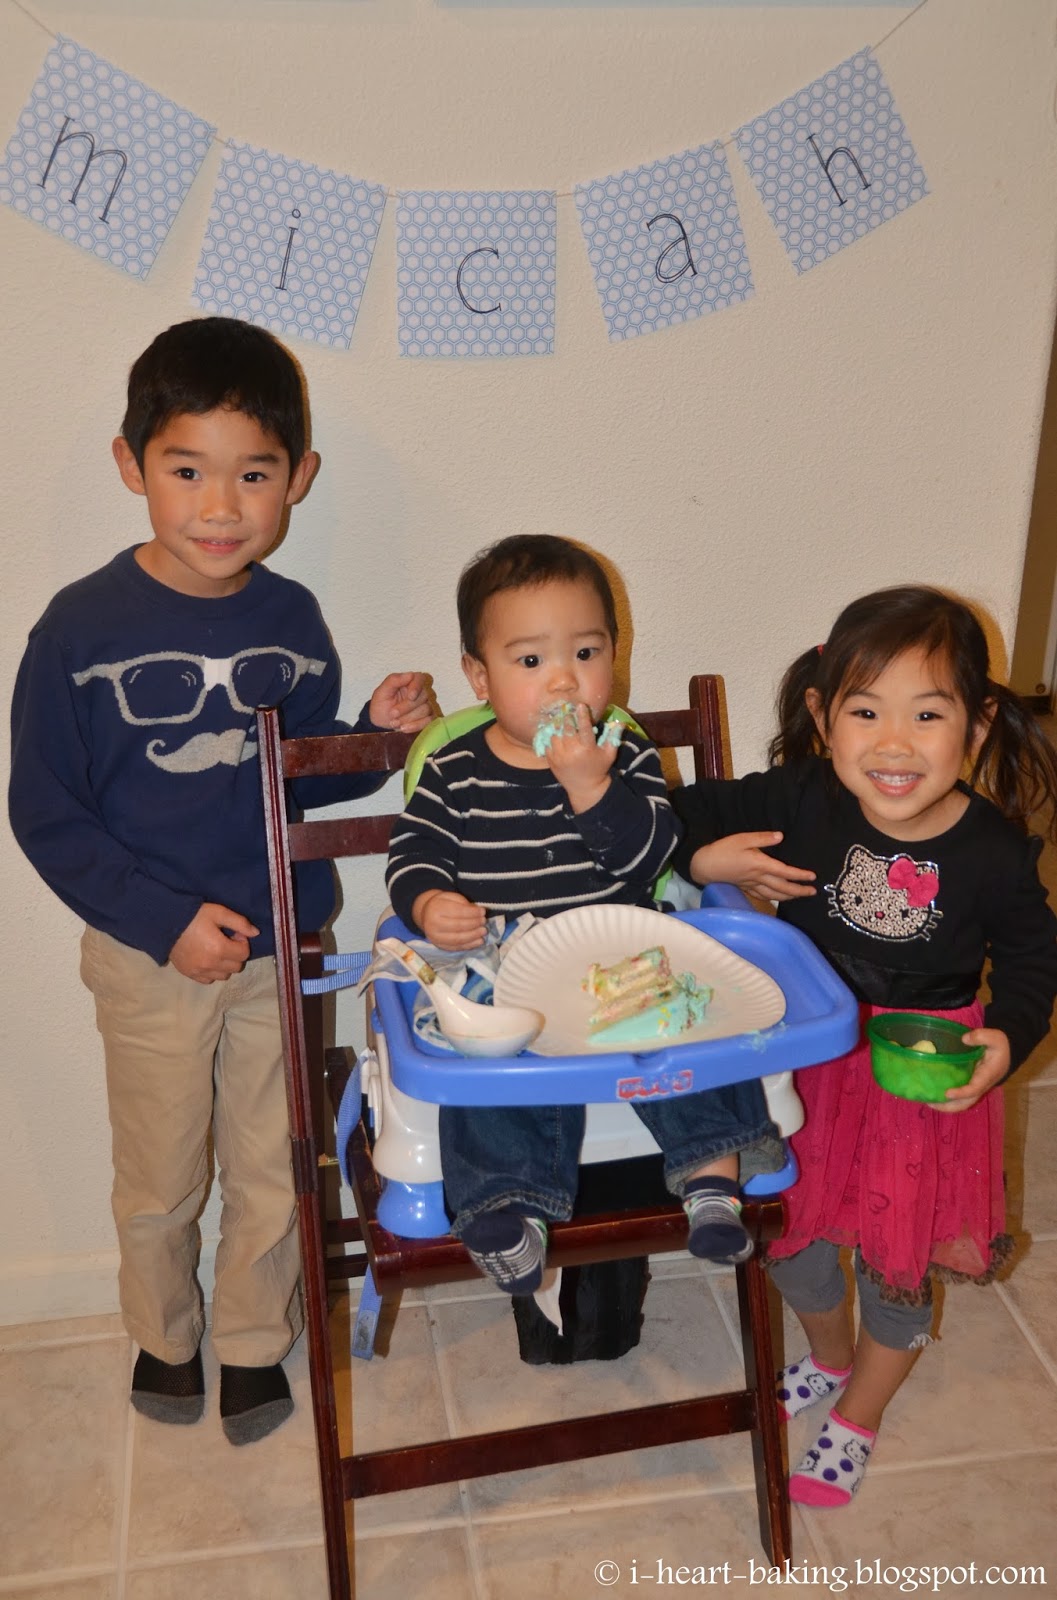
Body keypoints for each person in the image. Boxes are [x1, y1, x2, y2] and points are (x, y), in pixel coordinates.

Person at [8, 317, 433, 1445]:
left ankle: (251, 1339)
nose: (218, 506)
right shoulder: (79, 630)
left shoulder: (290, 620)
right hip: (147, 957)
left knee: (268, 1156)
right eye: (185, 470)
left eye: (253, 476)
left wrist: (372, 739)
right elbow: (45, 810)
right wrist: (159, 921)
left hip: (283, 945)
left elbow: (284, 778)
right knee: (158, 1172)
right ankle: (164, 1332)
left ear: (298, 478)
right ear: (129, 464)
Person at [670, 584, 1057, 1507]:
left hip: (924, 1075)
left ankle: (860, 1414)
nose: (893, 744)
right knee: (793, 1239)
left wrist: (1005, 1037)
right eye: (864, 711)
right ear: (821, 716)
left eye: (927, 713)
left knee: (899, 1260)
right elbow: (673, 814)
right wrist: (702, 859)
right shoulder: (799, 797)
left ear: (976, 723)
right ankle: (829, 1359)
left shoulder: (996, 850)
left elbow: (1038, 963)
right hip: (805, 1059)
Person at [385, 533, 782, 1295]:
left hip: (620, 962)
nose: (564, 680)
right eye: (530, 661)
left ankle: (711, 1178)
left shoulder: (621, 752)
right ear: (479, 674)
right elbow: (415, 853)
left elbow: (651, 860)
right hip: (507, 970)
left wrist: (589, 787)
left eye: (587, 653)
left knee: (692, 1022)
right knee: (485, 1066)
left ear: (614, 656)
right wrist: (431, 903)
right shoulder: (453, 769)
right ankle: (508, 1204)